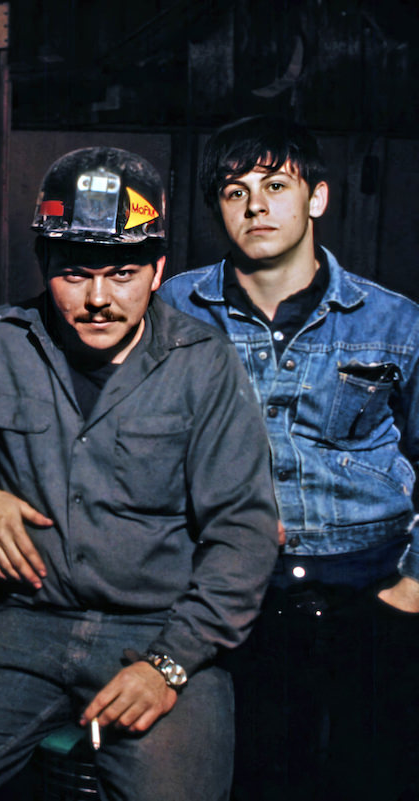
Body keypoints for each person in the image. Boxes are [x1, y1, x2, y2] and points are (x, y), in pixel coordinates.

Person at [0, 146, 280, 801]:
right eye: (75, 274)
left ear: (158, 270)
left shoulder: (204, 365)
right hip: (26, 622)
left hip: (162, 628)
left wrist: (168, 664)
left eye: (124, 272)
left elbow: (243, 535)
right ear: (44, 265)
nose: (99, 298)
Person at [159, 115, 419, 801]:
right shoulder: (171, 308)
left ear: (318, 197)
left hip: (373, 590)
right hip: (232, 594)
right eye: (235, 190)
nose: (256, 206)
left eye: (276, 185)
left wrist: (415, 583)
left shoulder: (393, 321)